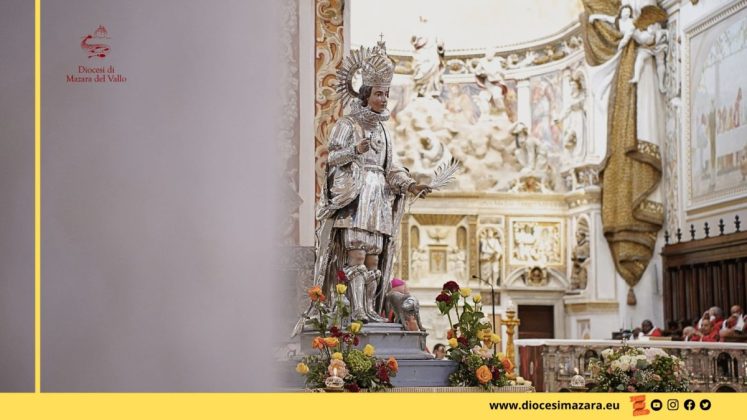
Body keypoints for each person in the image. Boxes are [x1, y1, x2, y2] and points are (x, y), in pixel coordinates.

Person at [292, 41, 432, 335]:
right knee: (355, 255)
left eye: (387, 94)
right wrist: (355, 150)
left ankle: (369, 309)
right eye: (379, 93)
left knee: (373, 258)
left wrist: (409, 184)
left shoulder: (384, 130)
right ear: (365, 94)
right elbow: (332, 158)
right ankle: (354, 310)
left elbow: (391, 167)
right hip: (355, 196)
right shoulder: (348, 123)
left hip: (378, 197)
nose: (384, 99)